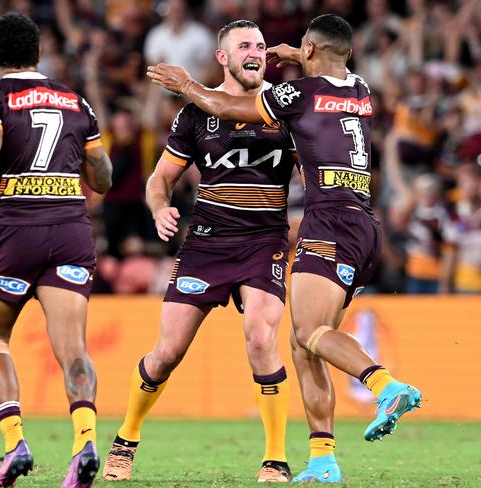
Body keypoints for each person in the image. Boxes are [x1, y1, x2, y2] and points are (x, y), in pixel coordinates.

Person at [147, 13, 422, 483]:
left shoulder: (300, 95)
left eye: (300, 48)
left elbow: (231, 109)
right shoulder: (358, 89)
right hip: (364, 224)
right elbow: (330, 62)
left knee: (311, 332)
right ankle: (323, 459)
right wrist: (301, 53)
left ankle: (384, 385)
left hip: (329, 222)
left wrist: (188, 85)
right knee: (303, 346)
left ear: (311, 51)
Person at [102, 20, 296, 483]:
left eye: (261, 46)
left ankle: (275, 457)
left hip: (264, 241)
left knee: (261, 338)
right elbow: (159, 179)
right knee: (168, 351)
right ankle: (126, 438)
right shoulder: (193, 116)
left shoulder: (287, 107)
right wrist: (159, 208)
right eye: (244, 45)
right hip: (207, 243)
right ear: (223, 58)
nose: (256, 51)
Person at [0, 12, 112, 488]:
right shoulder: (75, 100)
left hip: (16, 230)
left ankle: (15, 446)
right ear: (39, 54)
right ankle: (85, 443)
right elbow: (103, 178)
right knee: (73, 348)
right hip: (71, 228)